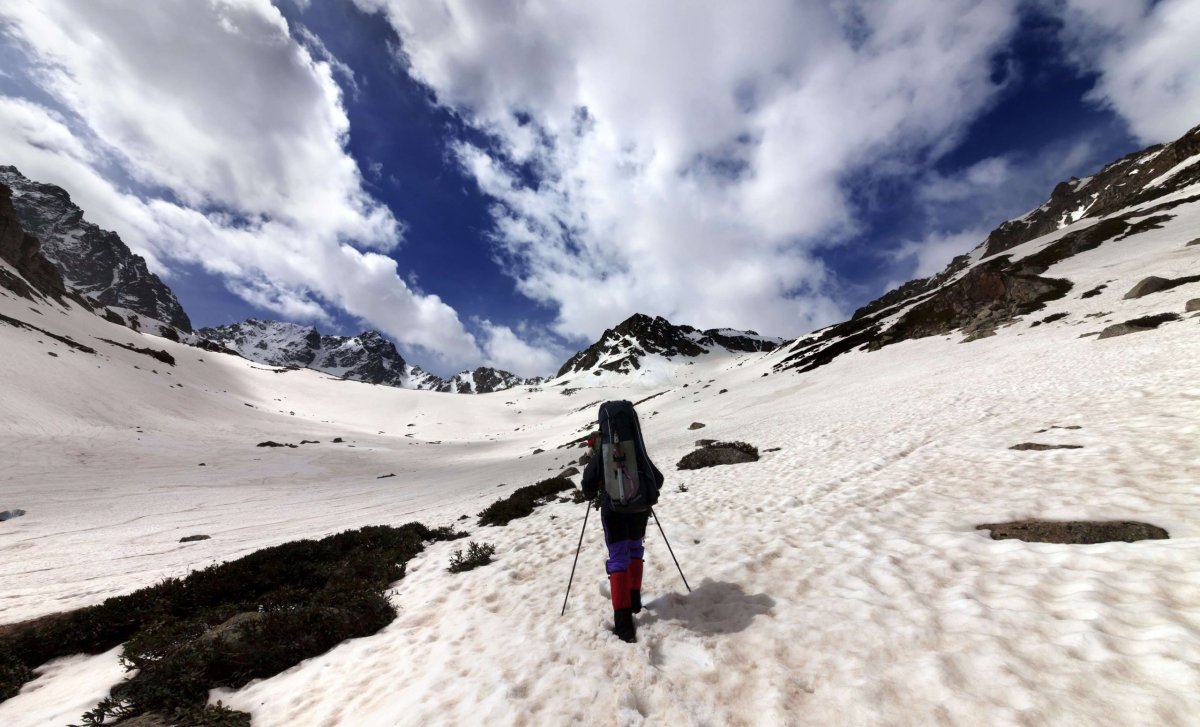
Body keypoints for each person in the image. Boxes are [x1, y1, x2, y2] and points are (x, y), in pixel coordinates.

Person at [580, 430, 664, 643]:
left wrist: (597, 489)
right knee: (636, 550)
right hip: (639, 509)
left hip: (613, 511)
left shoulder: (603, 451)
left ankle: (624, 625)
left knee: (618, 559)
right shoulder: (635, 448)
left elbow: (587, 486)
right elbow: (658, 479)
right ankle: (635, 602)